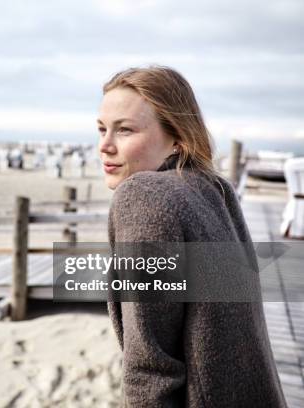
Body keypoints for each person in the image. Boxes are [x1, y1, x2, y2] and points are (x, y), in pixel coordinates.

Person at [97, 66, 286, 407]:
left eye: (124, 130)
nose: (105, 146)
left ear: (178, 137)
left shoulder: (143, 195)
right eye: (101, 130)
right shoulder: (212, 188)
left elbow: (150, 367)